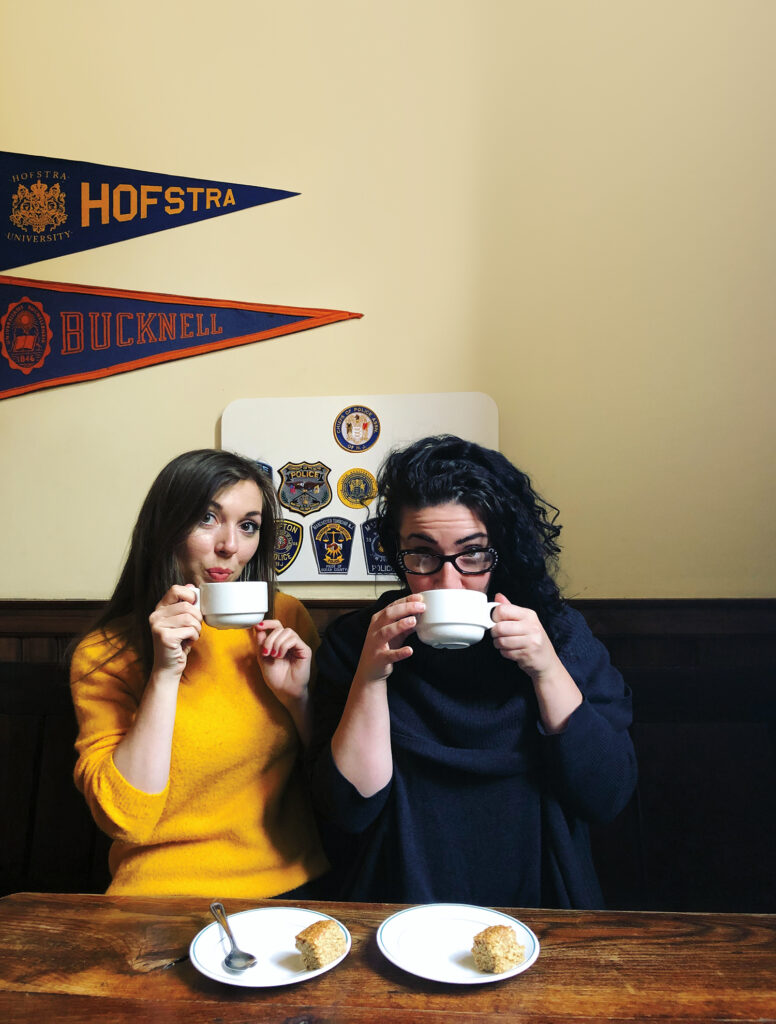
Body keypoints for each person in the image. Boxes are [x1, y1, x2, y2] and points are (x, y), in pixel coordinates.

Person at [308, 435, 637, 908]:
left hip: (542, 895)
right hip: (395, 900)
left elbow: (605, 795)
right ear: (395, 551)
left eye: (473, 553)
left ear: (503, 548)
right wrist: (370, 678)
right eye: (421, 553)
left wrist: (545, 669)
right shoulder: (362, 641)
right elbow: (349, 811)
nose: (448, 579)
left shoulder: (557, 635)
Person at [70, 449, 329, 898]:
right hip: (158, 894)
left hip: (292, 883)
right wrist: (165, 673)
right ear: (166, 529)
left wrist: (298, 699)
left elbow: (331, 779)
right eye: (208, 519)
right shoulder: (105, 654)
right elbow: (125, 818)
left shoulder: (285, 620)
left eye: (248, 525)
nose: (230, 545)